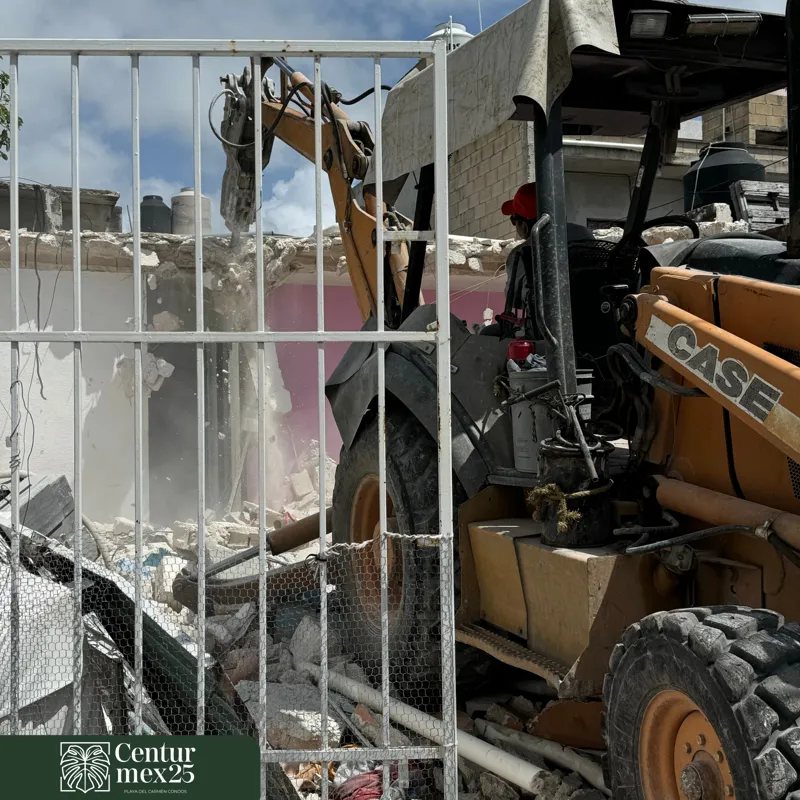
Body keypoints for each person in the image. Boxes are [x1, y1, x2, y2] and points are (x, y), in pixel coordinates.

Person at [480, 182, 594, 337]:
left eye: (514, 221)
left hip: (546, 332)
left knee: (488, 333)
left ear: (525, 225)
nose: (515, 226)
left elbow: (514, 301)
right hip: (592, 322)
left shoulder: (523, 252)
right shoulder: (585, 234)